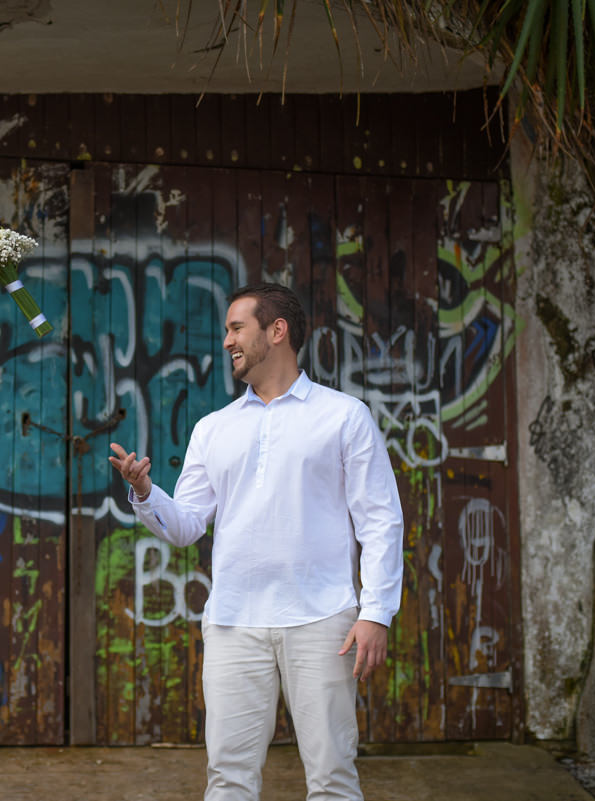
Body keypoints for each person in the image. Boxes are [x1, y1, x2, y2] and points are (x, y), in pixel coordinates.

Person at [109, 284, 404, 801]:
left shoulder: (343, 415)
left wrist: (376, 612)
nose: (227, 341)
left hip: (323, 619)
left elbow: (380, 519)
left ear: (277, 331)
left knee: (333, 775)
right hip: (232, 623)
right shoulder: (213, 428)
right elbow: (186, 526)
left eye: (236, 327)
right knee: (228, 778)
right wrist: (144, 492)